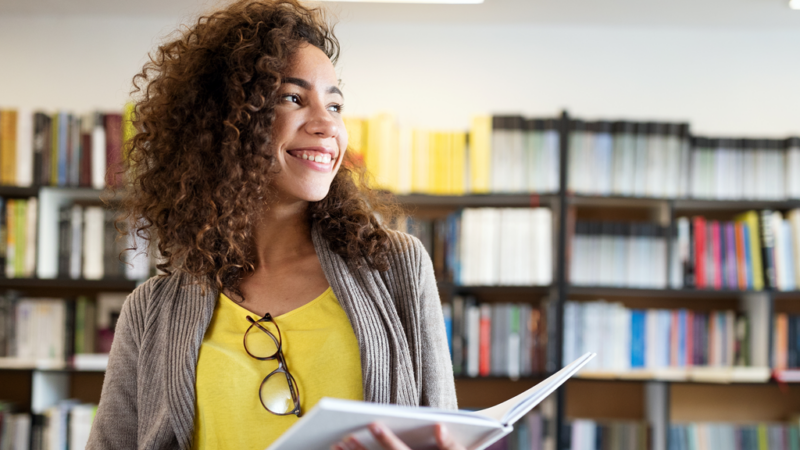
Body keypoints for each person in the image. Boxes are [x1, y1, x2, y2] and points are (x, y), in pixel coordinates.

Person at [86, 1, 464, 449]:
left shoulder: (394, 266)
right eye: (293, 98)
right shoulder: (151, 312)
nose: (328, 125)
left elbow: (444, 433)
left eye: (336, 104)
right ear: (226, 122)